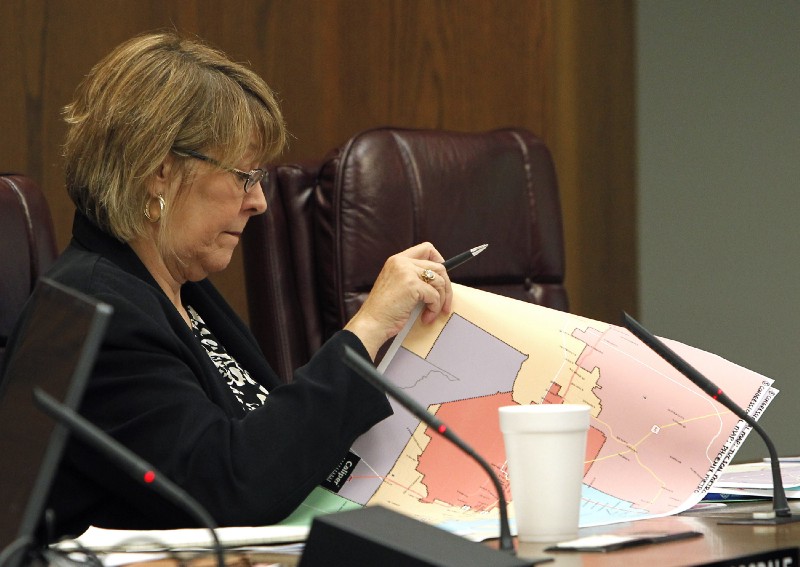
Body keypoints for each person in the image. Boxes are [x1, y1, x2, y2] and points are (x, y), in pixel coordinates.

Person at [3, 31, 452, 541]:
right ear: (159, 172)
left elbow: (267, 445)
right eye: (244, 177)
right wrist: (365, 330)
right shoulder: (102, 310)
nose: (259, 201)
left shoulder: (178, 290)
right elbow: (234, 488)